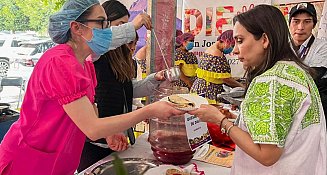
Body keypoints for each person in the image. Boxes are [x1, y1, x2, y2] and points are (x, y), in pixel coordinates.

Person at [0, 0, 184, 174]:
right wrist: (150, 111)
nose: (108, 30)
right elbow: (92, 127)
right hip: (27, 161)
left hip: (60, 160)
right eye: (102, 23)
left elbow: (89, 112)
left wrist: (109, 133)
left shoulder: (86, 64)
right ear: (76, 27)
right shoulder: (60, 62)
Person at [189, 5, 326, 175]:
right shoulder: (296, 72)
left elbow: (267, 156)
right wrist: (241, 118)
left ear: (264, 40)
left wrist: (221, 121)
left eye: (240, 40)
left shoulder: (269, 81)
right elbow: (287, 126)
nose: (236, 50)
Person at [78, 0, 166, 171]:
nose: (128, 32)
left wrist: (155, 79)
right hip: (96, 143)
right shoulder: (96, 54)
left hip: (117, 136)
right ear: (105, 25)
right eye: (121, 25)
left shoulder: (124, 56)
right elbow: (99, 40)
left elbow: (127, 89)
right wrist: (133, 25)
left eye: (126, 24)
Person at [289, 2, 327, 120]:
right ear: (289, 24)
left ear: (314, 24)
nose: (300, 27)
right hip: (290, 106)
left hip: (317, 108)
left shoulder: (323, 46)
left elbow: (314, 75)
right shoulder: (283, 48)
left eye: (307, 21)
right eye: (296, 21)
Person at [190, 30, 244, 104]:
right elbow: (225, 79)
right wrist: (241, 86)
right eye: (232, 45)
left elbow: (217, 75)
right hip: (208, 91)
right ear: (226, 41)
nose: (233, 49)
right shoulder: (216, 54)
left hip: (202, 88)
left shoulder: (212, 50)